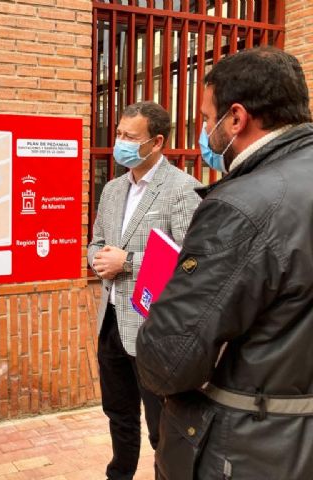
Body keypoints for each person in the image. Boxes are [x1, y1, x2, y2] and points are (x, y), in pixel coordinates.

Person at [136, 47, 313, 480]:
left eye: (205, 118)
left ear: (236, 118)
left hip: (250, 448)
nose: (203, 131)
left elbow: (168, 360)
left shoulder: (242, 205)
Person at [88, 101, 201, 480]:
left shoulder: (182, 189)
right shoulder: (112, 189)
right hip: (111, 322)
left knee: (160, 423)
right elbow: (96, 241)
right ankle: (119, 474)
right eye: (118, 134)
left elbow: (191, 260)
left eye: (130, 137)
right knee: (118, 412)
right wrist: (98, 258)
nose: (120, 142)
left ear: (157, 142)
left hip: (152, 327)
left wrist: (128, 262)